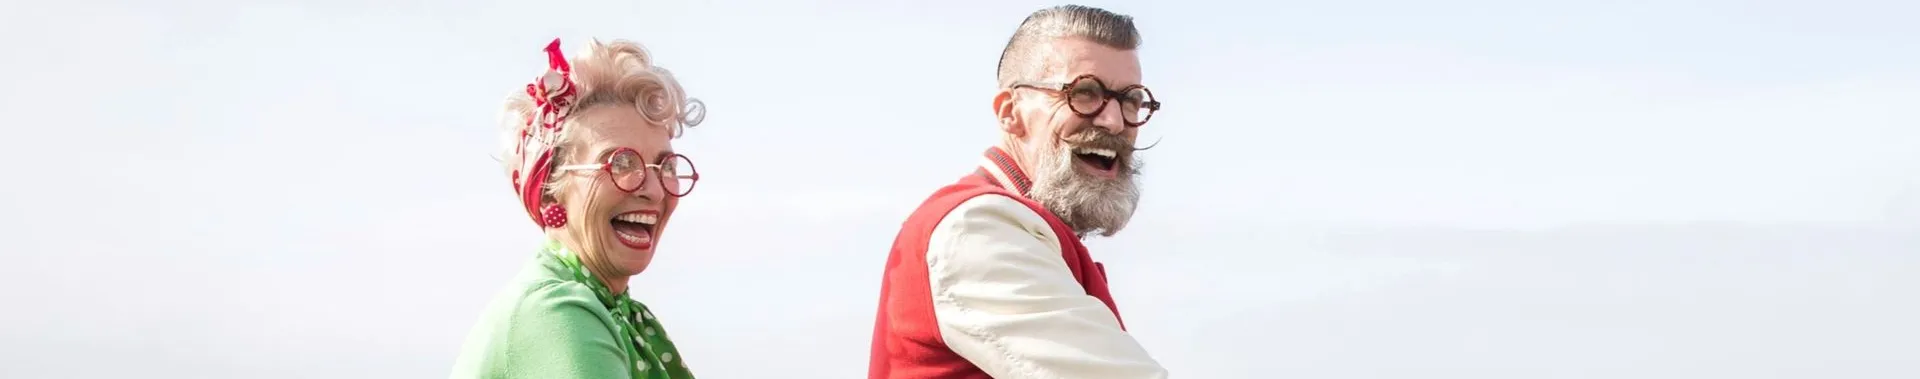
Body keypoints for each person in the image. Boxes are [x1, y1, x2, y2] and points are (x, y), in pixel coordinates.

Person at [868, 5, 1169, 379]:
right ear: (1010, 112)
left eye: (1131, 100)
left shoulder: (1029, 232)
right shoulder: (979, 227)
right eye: (1085, 93)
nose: (1113, 120)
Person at [450, 38, 708, 379]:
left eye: (666, 167)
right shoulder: (556, 313)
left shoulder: (607, 309)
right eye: (621, 163)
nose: (652, 189)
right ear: (549, 191)